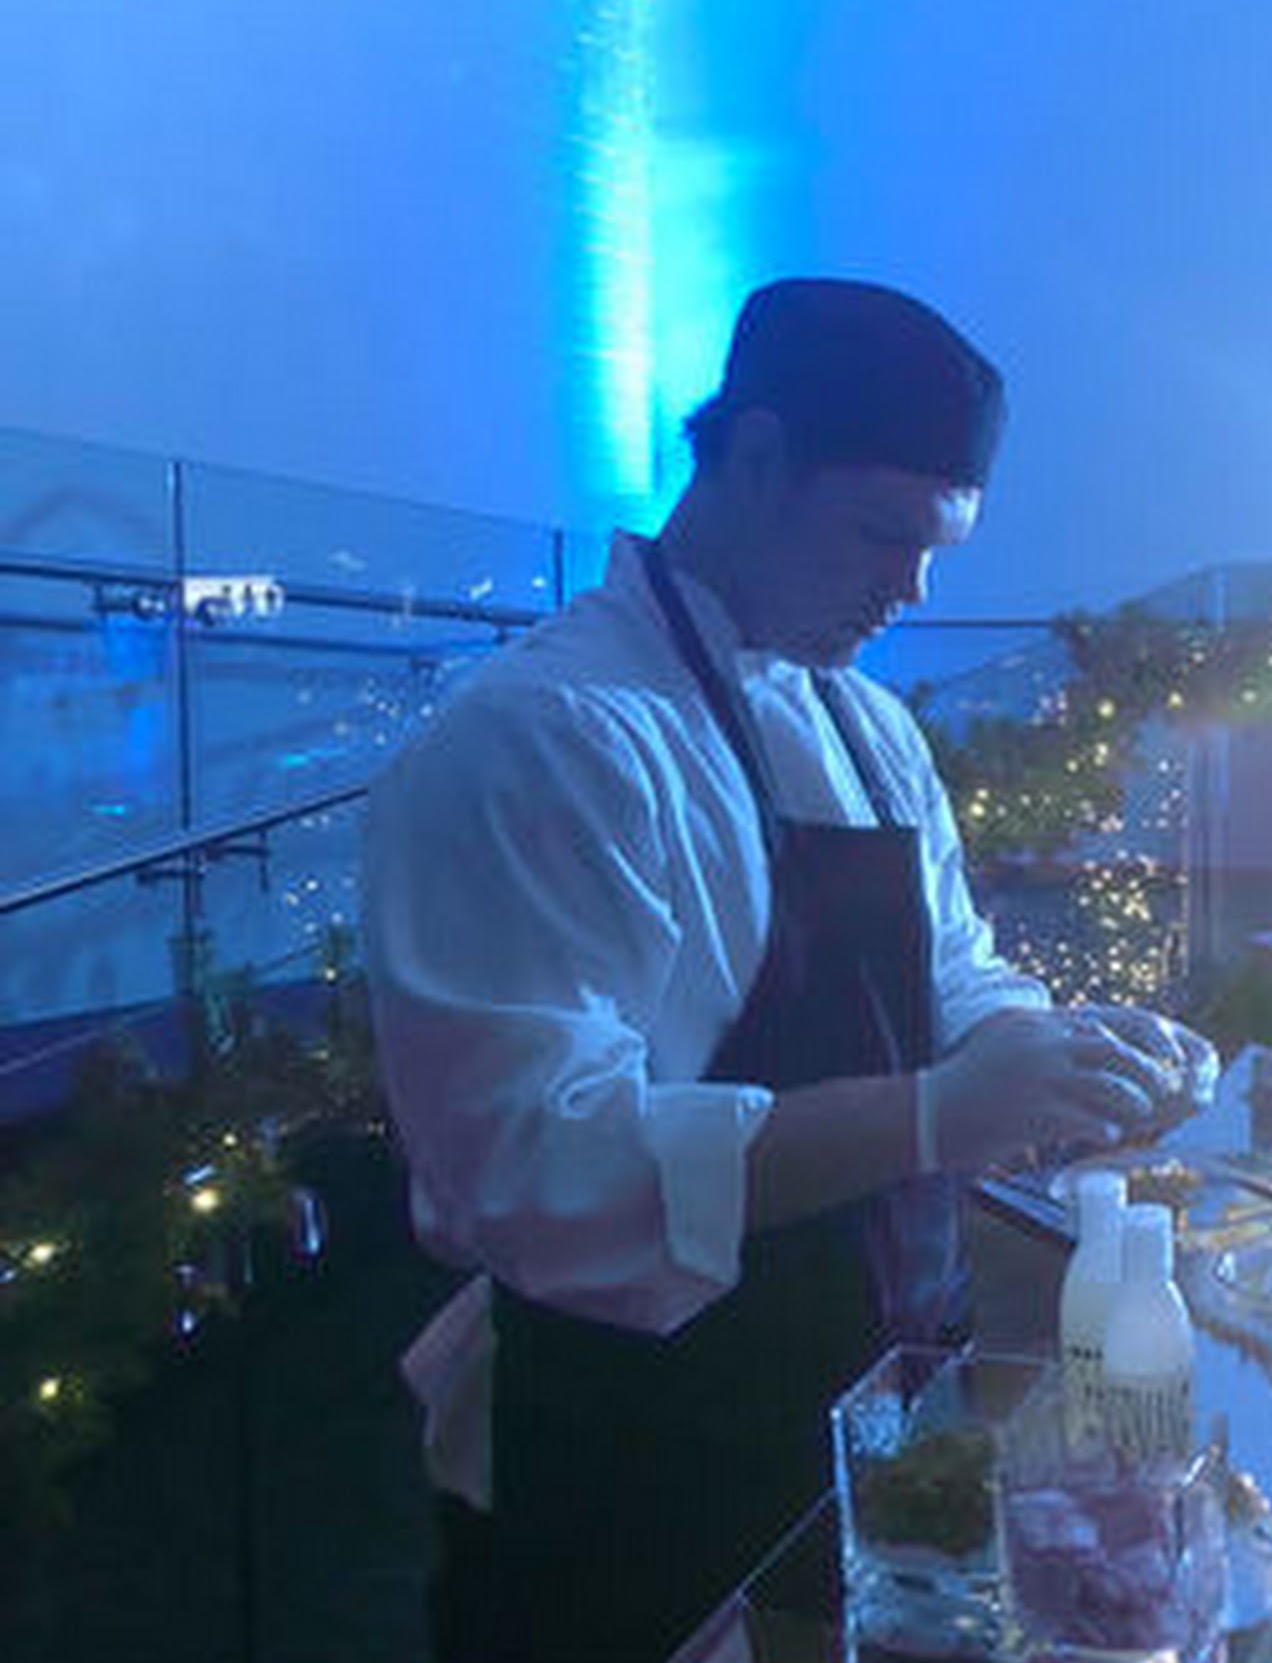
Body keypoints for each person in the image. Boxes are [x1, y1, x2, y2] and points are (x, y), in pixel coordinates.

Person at [363, 277, 1219, 1663]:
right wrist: (933, 1113)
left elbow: (951, 972)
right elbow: (533, 1172)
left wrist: (1059, 1053)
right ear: (753, 456)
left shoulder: (869, 725)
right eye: (882, 534)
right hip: (636, 1452)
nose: (913, 588)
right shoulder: (539, 737)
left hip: (886, 1393)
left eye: (936, 548)